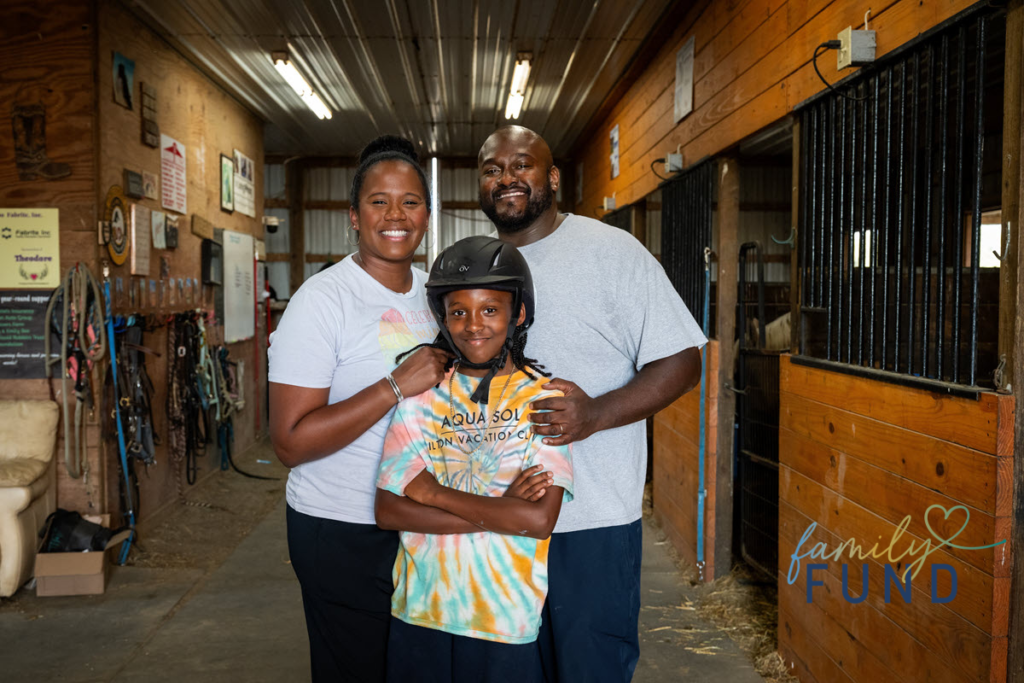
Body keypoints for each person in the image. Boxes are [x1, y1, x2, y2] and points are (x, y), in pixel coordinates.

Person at [477, 125, 707, 682]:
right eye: (491, 169)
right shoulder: (473, 266)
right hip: (494, 519)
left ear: (551, 177)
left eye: (522, 164)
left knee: (590, 669)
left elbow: (683, 361)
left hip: (593, 521)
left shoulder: (610, 252)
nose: (507, 178)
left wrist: (596, 414)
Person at [268, 135, 452, 682]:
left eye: (410, 202)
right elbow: (290, 442)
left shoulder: (434, 292)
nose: (395, 215)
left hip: (416, 517)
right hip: (342, 526)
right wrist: (393, 385)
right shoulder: (322, 301)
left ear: (426, 214)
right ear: (353, 215)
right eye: (379, 201)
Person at [375, 236, 573, 683]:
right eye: (458, 311)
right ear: (443, 318)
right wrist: (506, 510)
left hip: (505, 620)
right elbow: (388, 511)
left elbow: (539, 520)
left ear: (517, 314)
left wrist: (433, 493)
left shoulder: (544, 401)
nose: (473, 325)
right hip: (420, 612)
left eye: (490, 309)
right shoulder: (420, 398)